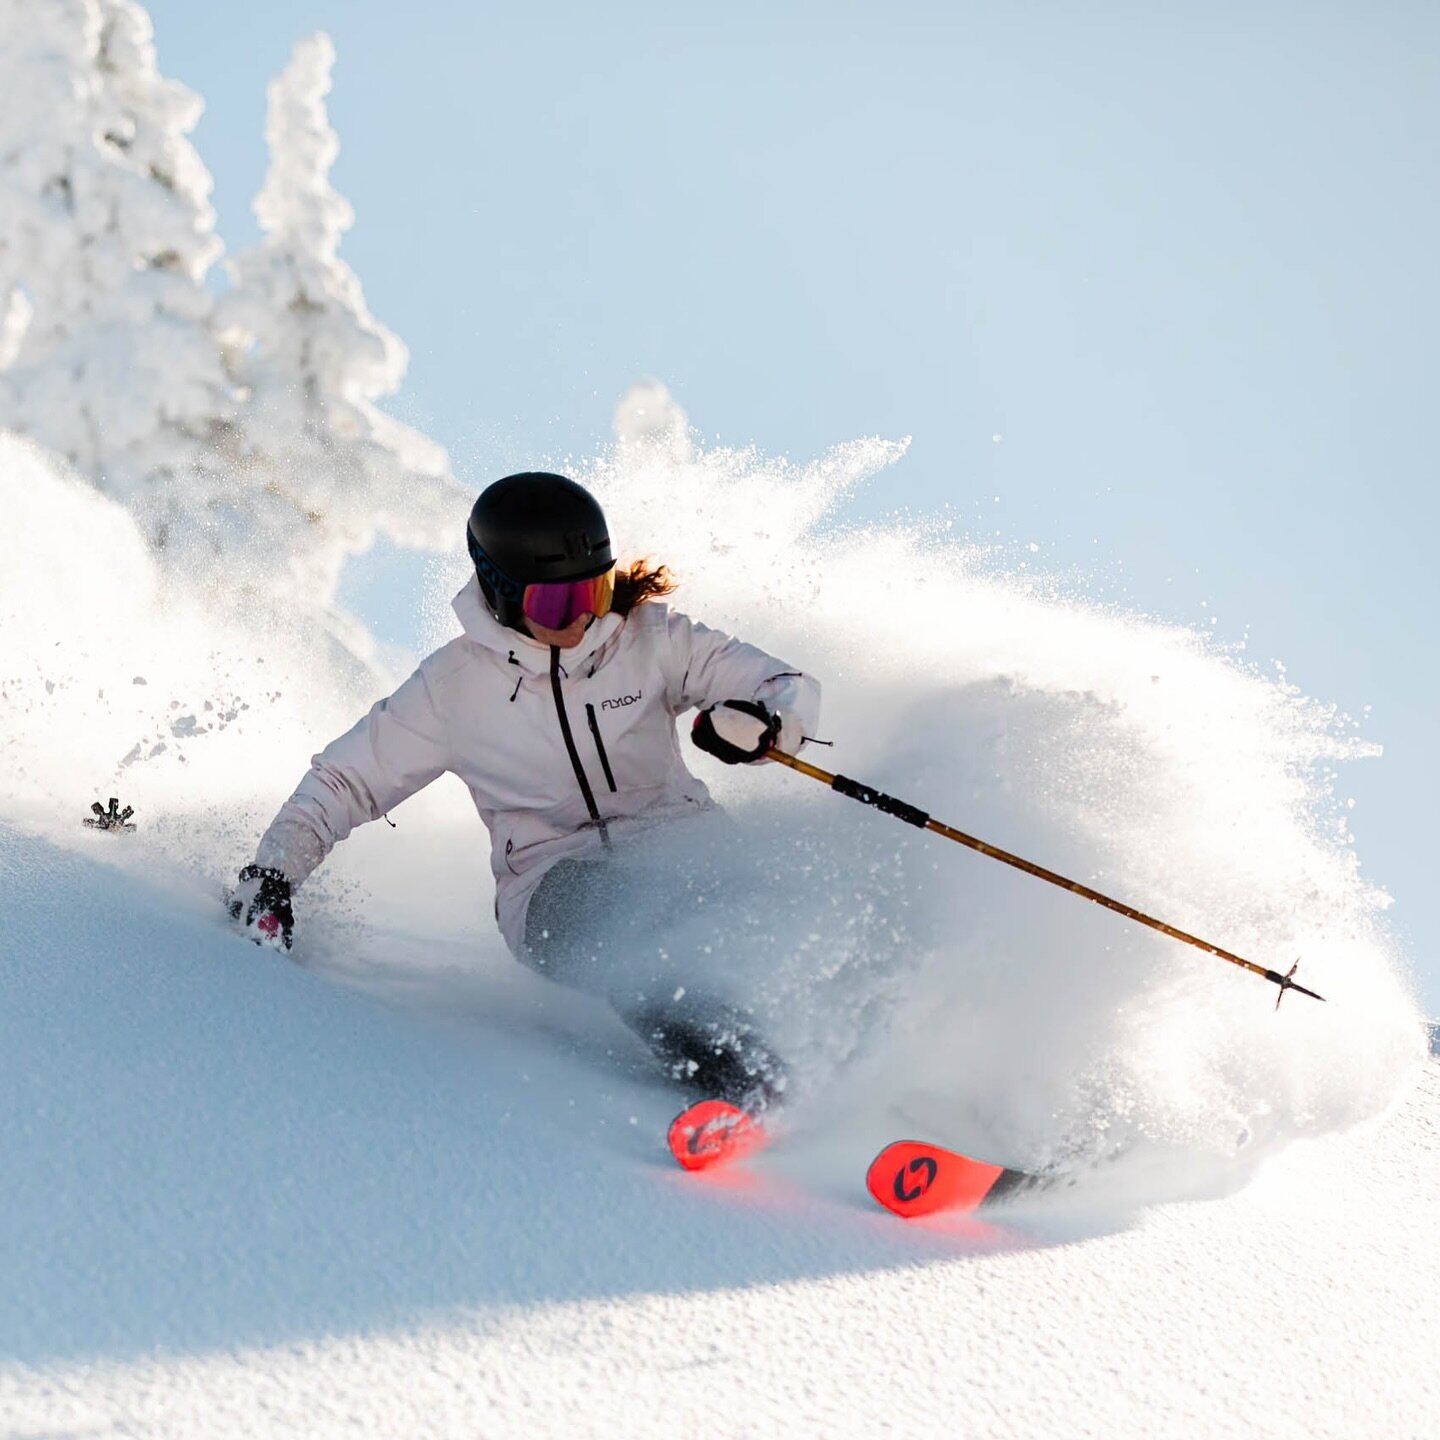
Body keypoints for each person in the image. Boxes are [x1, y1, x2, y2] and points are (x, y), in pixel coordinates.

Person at [228, 471, 821, 1112]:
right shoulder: (453, 688)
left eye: (594, 591)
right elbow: (345, 780)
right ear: (503, 593)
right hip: (551, 884)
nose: (584, 619)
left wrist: (768, 723)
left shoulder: (652, 640)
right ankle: (752, 1082)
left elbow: (779, 682)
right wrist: (273, 872)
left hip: (684, 848)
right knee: (630, 933)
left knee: (794, 903)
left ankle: (865, 1063)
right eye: (556, 606)